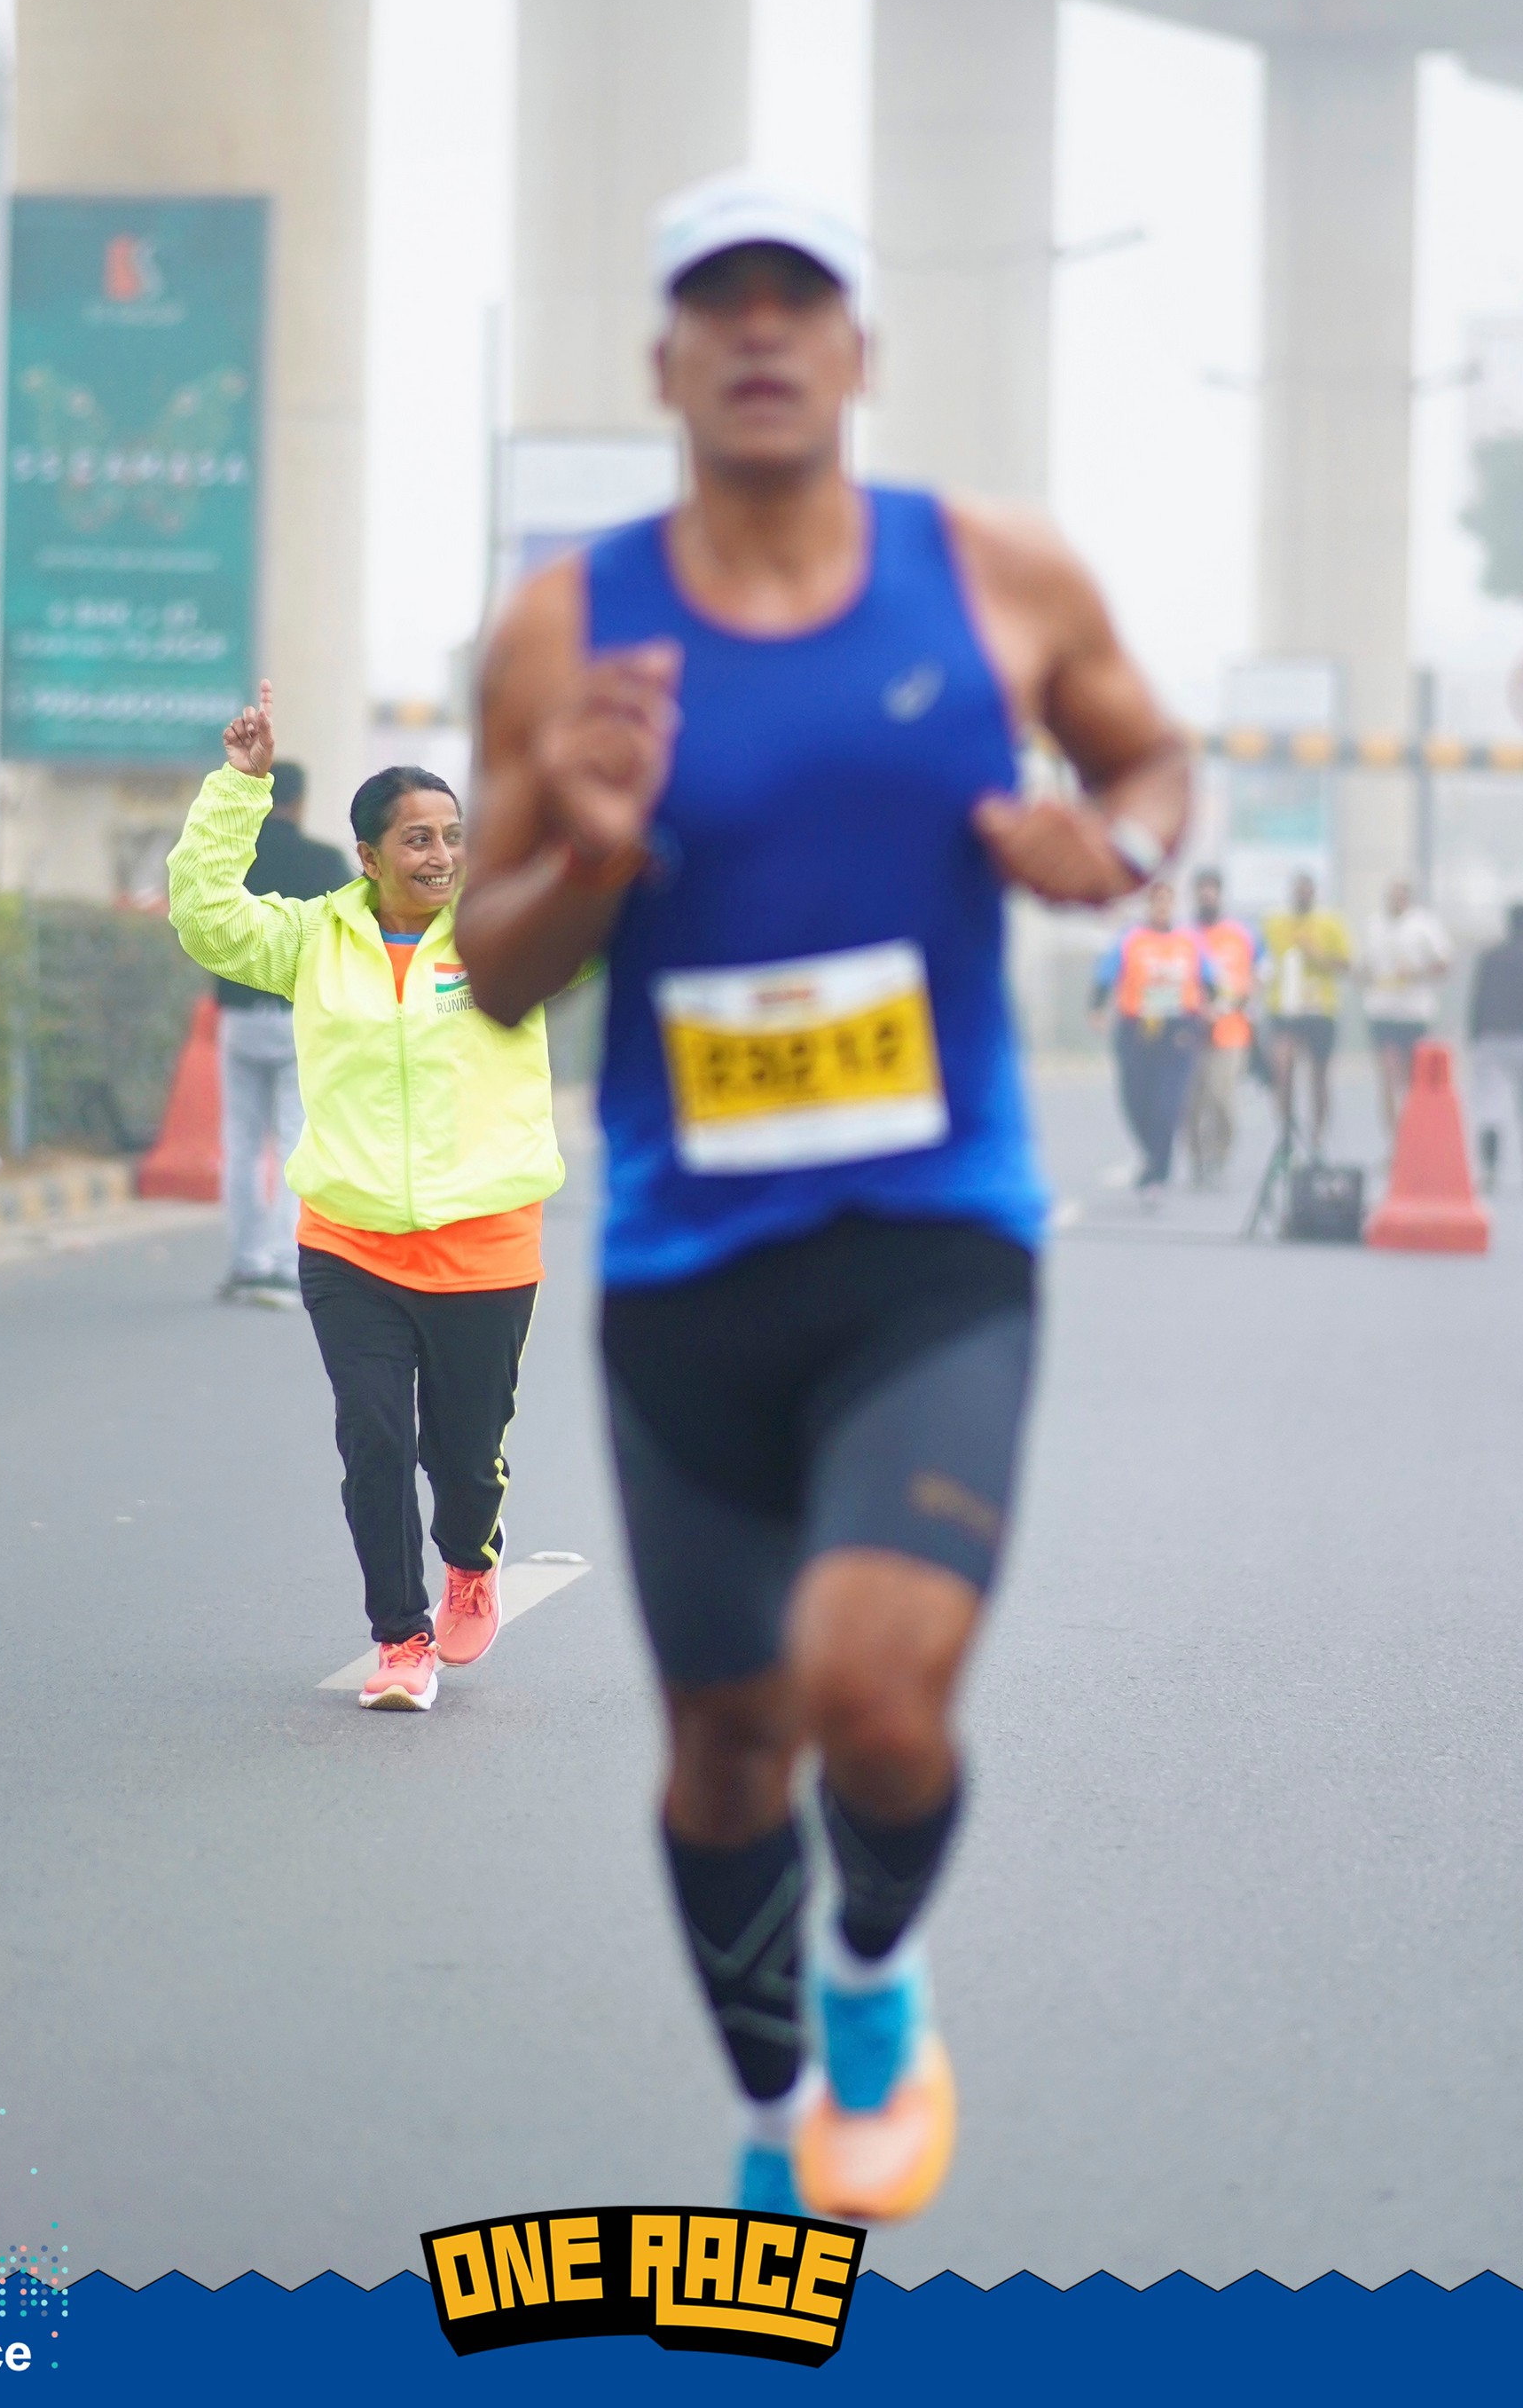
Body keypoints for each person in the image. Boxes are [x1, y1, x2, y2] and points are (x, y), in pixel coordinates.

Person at [454, 170, 1189, 2223]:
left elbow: (1147, 763)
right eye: (722, 301)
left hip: (932, 1239)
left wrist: (1114, 854)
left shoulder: (994, 573)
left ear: (858, 351)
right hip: (689, 1265)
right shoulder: (566, 631)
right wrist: (590, 851)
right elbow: (493, 969)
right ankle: (773, 2090)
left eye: (800, 299)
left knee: (871, 1692)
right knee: (724, 1750)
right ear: (664, 362)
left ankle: (871, 1972)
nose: (761, 330)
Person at [169, 685, 569, 1711]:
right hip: (351, 1244)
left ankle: (470, 1556)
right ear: (368, 857)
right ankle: (400, 1637)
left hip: (483, 1246)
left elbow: (600, 906)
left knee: (463, 1459)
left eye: (453, 836)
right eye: (416, 839)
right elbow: (205, 917)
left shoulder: (500, 933)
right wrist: (239, 788)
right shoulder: (313, 941)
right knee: (375, 1440)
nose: (440, 855)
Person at [211, 756, 350, 1305]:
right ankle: (284, 1261)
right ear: (302, 802)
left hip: (238, 1015)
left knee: (241, 1142)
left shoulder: (236, 860)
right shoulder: (326, 862)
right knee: (295, 1139)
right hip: (299, 1015)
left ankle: (246, 1261)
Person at [1090, 879, 1208, 1200]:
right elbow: (1104, 976)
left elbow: (1210, 979)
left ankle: (1158, 1169)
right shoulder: (1130, 939)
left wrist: (1213, 1005)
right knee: (1135, 1100)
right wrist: (1097, 1009)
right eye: (1156, 901)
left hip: (1178, 1028)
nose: (1161, 908)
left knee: (1167, 1105)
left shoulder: (1189, 941)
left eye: (1167, 901)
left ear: (1174, 905)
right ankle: (1151, 1154)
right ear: (1149, 906)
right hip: (1137, 1027)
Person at [1261, 870, 1353, 1150]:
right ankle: (1287, 1129)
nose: (1302, 895)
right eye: (1298, 890)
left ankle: (1317, 1134)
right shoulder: (1275, 923)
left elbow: (1346, 965)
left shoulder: (1330, 923)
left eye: (1307, 891)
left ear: (1314, 893)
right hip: (1284, 1007)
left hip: (1320, 1009)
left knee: (1318, 1075)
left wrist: (1318, 955)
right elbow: (1261, 959)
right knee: (1283, 1067)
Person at [1186, 866, 1261, 1187]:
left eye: (1212, 889)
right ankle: (1198, 1159)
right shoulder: (1184, 936)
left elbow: (1260, 972)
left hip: (1231, 1031)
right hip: (1192, 1032)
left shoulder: (1241, 935)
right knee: (1192, 1104)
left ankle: (1219, 1155)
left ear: (1219, 894)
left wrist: (1249, 997)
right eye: (1202, 889)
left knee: (1222, 1100)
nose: (1207, 895)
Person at [1361, 877, 1451, 1138]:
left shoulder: (1424, 925)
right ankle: (1395, 1139)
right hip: (1381, 1010)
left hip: (1414, 1012)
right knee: (1388, 1075)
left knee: (1413, 1078)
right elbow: (1363, 967)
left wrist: (1416, 973)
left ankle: (1414, 1134)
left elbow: (1444, 964)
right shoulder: (1374, 926)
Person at [1469, 901, 1523, 1192]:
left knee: (1490, 1105)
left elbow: (1478, 999)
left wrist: (1475, 1036)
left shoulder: (1491, 956)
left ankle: (1490, 1168)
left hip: (1492, 1040)